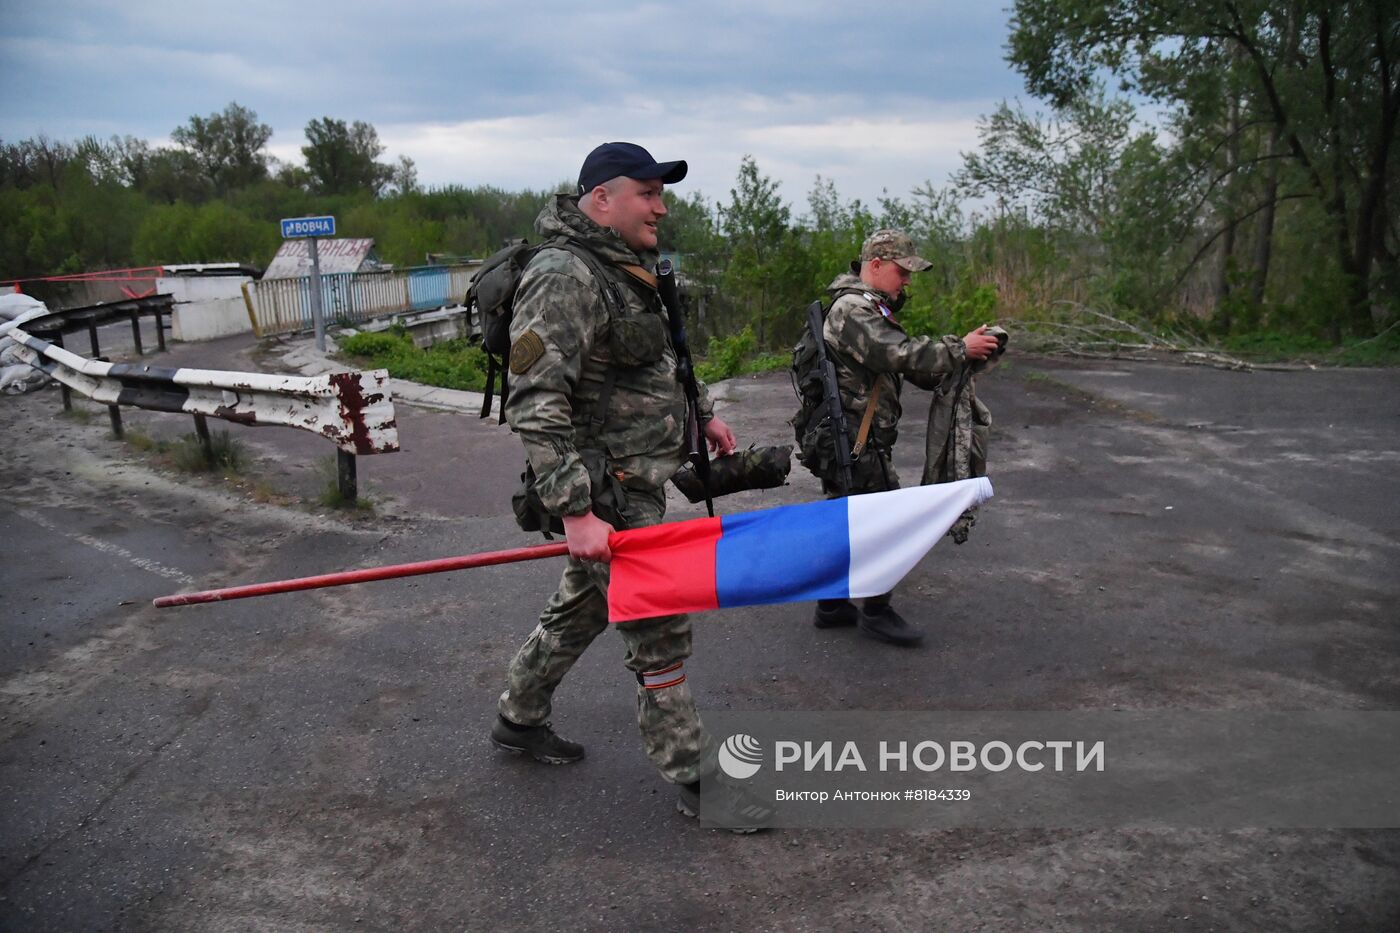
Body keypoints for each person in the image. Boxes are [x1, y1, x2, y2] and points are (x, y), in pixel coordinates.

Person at [489, 142, 771, 831]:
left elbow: (655, 360)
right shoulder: (564, 273)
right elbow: (536, 398)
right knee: (659, 630)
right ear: (601, 199)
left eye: (659, 193)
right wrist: (577, 512)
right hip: (606, 494)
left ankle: (518, 716)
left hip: (637, 482)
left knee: (581, 608)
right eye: (647, 193)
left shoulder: (626, 267)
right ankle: (700, 778)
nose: (661, 206)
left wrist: (703, 417)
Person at [803, 229, 1000, 647]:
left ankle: (832, 604)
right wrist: (959, 348)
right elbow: (901, 353)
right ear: (874, 266)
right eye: (901, 271)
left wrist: (964, 356)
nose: (907, 281)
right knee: (885, 525)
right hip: (854, 440)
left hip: (858, 437)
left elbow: (912, 368)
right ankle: (876, 610)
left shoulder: (871, 308)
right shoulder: (853, 311)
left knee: (847, 520)